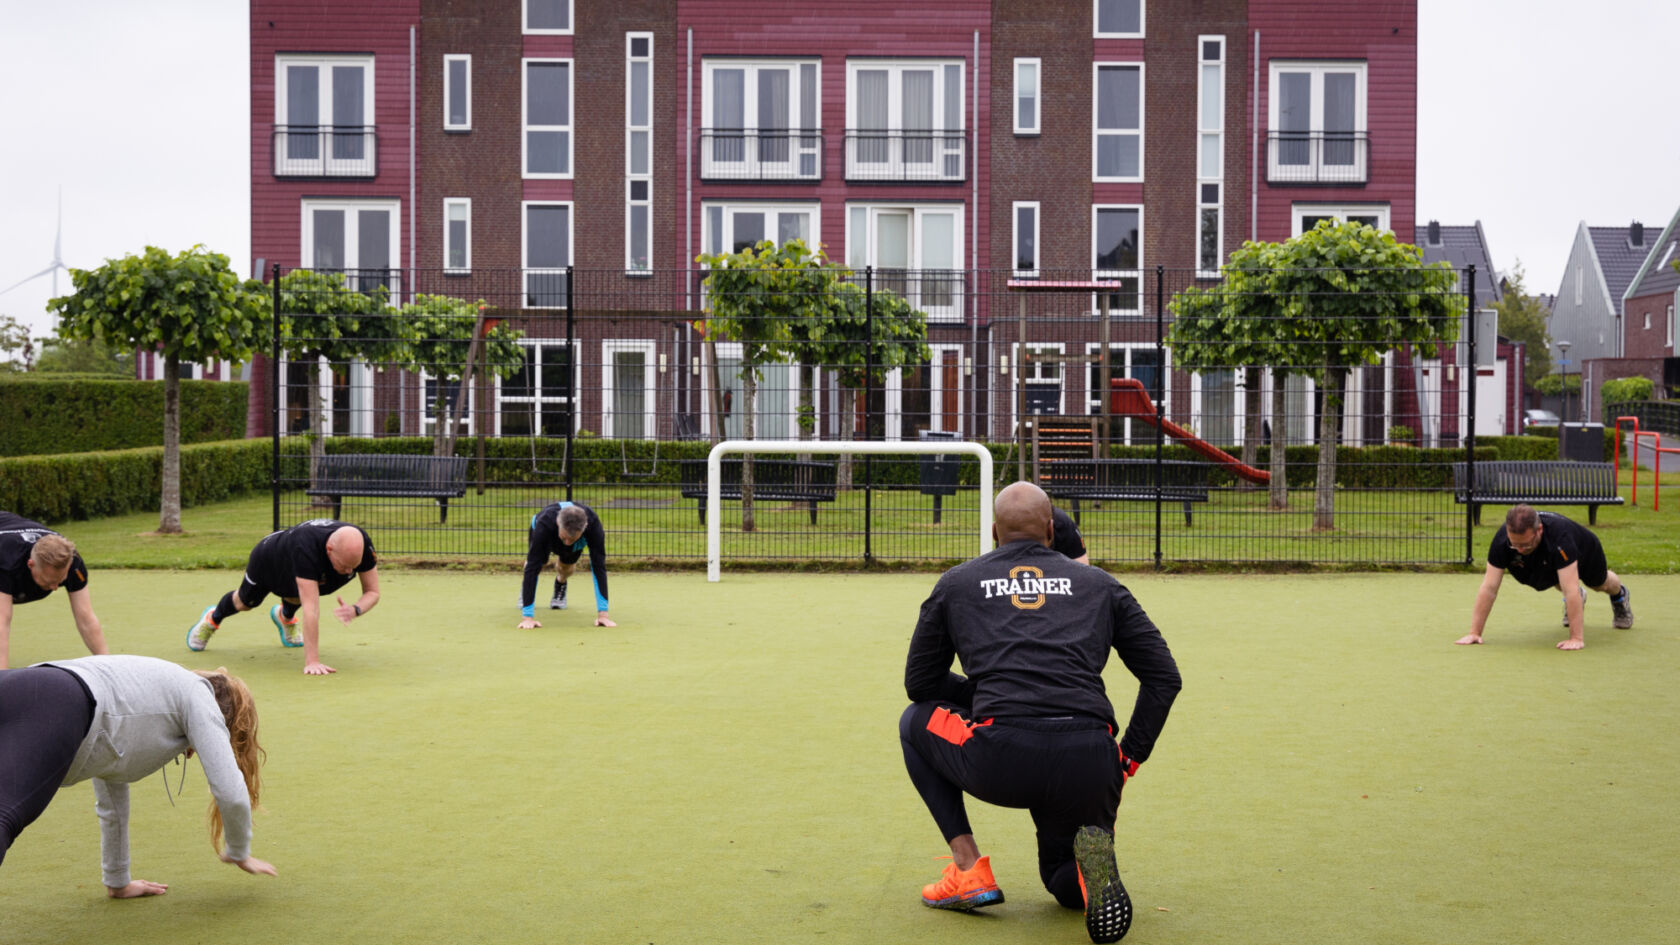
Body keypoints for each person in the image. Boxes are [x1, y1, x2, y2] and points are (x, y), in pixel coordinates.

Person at [899, 481, 1181, 944]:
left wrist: (992, 694)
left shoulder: (957, 582)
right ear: (1052, 529)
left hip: (1002, 757)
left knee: (914, 722)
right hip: (1089, 759)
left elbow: (921, 684)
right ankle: (1088, 875)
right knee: (1062, 881)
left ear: (994, 531)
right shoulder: (1101, 584)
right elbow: (1164, 677)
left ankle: (969, 870)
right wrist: (1127, 757)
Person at [0, 654, 276, 896]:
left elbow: (112, 795)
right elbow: (229, 788)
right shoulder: (197, 693)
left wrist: (118, 881)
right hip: (56, 703)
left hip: (17, 684)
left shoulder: (136, 699)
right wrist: (239, 851)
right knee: (5, 816)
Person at [186, 519, 380, 675]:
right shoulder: (306, 548)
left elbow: (373, 591)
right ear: (329, 550)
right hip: (269, 561)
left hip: (301, 569)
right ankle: (213, 618)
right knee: (244, 602)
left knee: (297, 595)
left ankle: (285, 617)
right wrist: (312, 662)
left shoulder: (359, 545)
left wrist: (355, 609)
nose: (349, 571)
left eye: (353, 567)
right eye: (344, 565)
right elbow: (311, 609)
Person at [1456, 504, 1633, 651]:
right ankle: (1579, 598)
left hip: (1585, 551)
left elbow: (1570, 589)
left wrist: (1576, 638)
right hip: (1549, 559)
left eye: (1524, 545)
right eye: (1514, 544)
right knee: (1554, 578)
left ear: (1539, 530)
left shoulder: (1560, 538)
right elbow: (1489, 587)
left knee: (1600, 584)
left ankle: (1619, 596)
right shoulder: (1502, 541)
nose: (1519, 550)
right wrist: (1475, 632)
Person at [0, 512, 109, 670]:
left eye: (60, 580)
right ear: (31, 564)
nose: (55, 587)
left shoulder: (73, 562)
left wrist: (108, 665)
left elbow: (86, 618)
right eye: (49, 581)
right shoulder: (6, 561)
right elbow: (2, 621)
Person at [517, 501, 616, 629]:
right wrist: (527, 618)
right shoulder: (544, 524)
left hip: (571, 536)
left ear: (584, 527)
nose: (567, 542)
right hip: (547, 534)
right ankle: (526, 593)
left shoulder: (593, 526)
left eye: (572, 539)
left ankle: (560, 583)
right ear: (558, 523)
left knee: (566, 568)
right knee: (536, 565)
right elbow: (532, 567)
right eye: (565, 538)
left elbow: (599, 567)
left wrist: (603, 615)